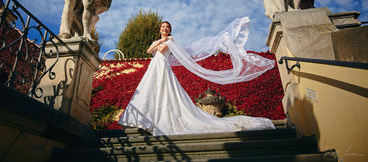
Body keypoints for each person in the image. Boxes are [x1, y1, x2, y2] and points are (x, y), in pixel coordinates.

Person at [118, 18, 276, 135]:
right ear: (160, 29)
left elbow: (159, 50)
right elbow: (148, 51)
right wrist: (158, 41)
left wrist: (159, 42)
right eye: (163, 27)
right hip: (154, 67)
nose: (165, 29)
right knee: (151, 90)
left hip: (163, 67)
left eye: (167, 27)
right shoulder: (160, 39)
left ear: (169, 30)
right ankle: (147, 119)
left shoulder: (171, 40)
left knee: (165, 91)